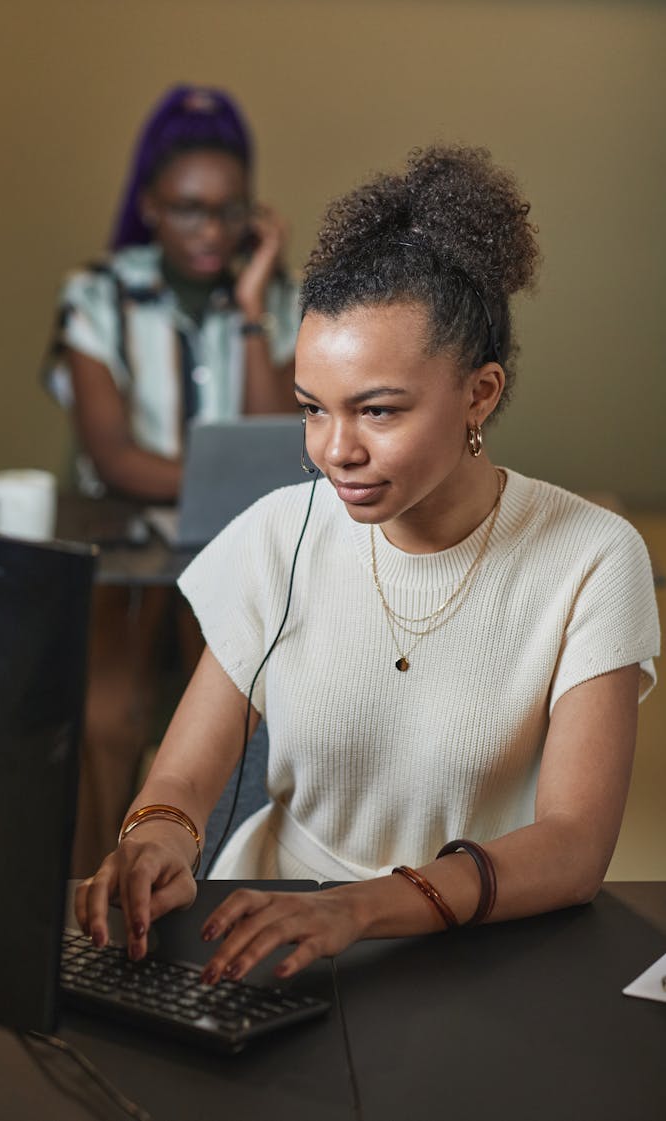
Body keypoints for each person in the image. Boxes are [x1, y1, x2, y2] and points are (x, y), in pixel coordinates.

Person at [76, 145, 659, 985]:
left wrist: (355, 906)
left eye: (377, 411)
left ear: (480, 394)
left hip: (471, 951)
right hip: (261, 934)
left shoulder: (591, 558)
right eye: (314, 410)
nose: (334, 452)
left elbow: (572, 848)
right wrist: (156, 840)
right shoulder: (278, 533)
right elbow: (182, 774)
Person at [42, 84, 299, 874]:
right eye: (189, 208)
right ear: (150, 203)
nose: (212, 230)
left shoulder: (281, 300)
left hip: (233, 544)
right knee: (107, 718)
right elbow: (115, 456)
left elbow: (269, 439)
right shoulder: (96, 297)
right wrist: (223, 476)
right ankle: (90, 898)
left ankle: (204, 892)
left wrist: (252, 305)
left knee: (241, 721)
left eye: (229, 209)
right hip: (127, 547)